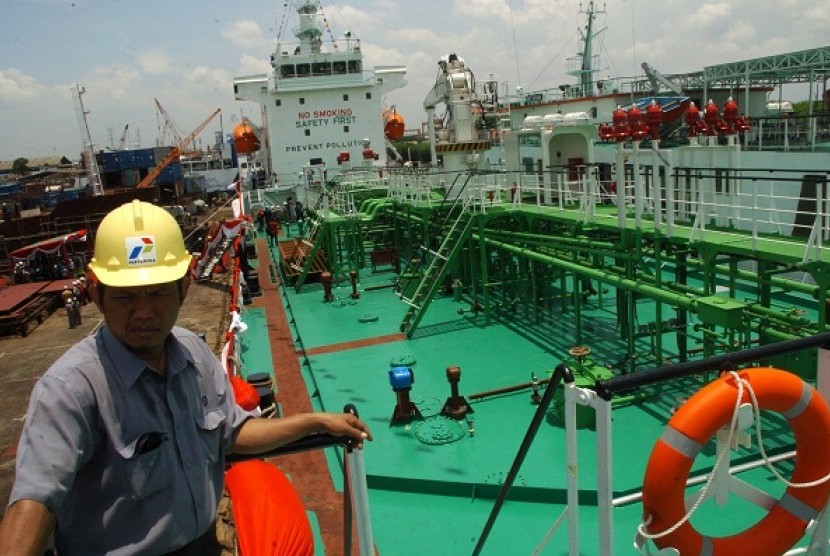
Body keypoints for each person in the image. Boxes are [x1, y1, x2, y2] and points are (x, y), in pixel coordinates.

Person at [0, 200, 371, 554]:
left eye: (158, 293)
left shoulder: (194, 355)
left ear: (184, 286)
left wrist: (317, 422)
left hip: (203, 546)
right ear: (96, 293)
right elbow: (34, 501)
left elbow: (233, 432)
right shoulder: (71, 389)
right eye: (127, 297)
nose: (144, 312)